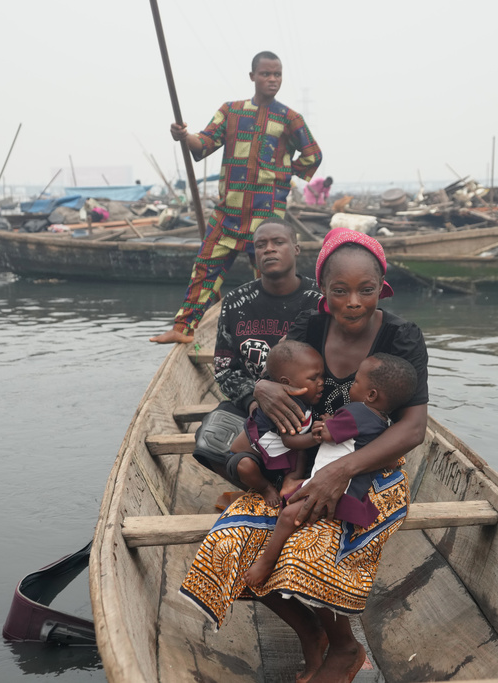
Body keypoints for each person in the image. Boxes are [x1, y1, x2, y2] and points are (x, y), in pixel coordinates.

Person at [180, 227, 429, 683]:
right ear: (324, 291)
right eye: (340, 290)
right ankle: (310, 633)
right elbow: (277, 370)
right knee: (231, 543)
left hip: (369, 472)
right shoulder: (309, 325)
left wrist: (343, 471)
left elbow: (413, 429)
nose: (353, 301)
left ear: (382, 288)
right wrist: (263, 387)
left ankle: (346, 649)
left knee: (302, 550)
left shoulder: (401, 337)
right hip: (305, 463)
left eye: (366, 290)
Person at [150, 50, 322, 344]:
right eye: (266, 74)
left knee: (274, 280)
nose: (272, 79)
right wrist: (183, 136)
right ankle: (183, 329)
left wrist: (282, 173)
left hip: (267, 220)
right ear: (252, 76)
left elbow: (313, 155)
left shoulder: (290, 118)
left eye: (277, 74)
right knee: (204, 268)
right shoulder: (231, 111)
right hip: (228, 212)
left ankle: (286, 337)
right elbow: (203, 144)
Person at [243, 352, 418, 589]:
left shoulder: (355, 411)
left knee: (286, 516)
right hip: (354, 494)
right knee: (294, 493)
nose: (352, 386)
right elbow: (387, 460)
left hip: (336, 493)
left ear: (371, 395)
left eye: (356, 382)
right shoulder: (383, 425)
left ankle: (266, 561)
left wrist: (323, 424)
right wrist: (333, 423)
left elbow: (325, 434)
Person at [191, 221, 322, 493]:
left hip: (309, 402)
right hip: (252, 405)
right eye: (260, 245)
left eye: (278, 242)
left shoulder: (318, 300)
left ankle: (297, 481)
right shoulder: (235, 302)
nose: (269, 250)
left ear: (296, 249)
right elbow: (225, 369)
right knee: (209, 444)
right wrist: (254, 400)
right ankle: (262, 489)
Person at [229, 339, 324, 508]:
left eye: (322, 376)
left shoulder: (303, 400)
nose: (321, 382)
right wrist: (317, 437)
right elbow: (289, 441)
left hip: (279, 455)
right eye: (313, 378)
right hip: (256, 457)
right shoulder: (283, 406)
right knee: (244, 466)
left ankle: (290, 480)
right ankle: (266, 488)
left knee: (301, 452)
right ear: (287, 383)